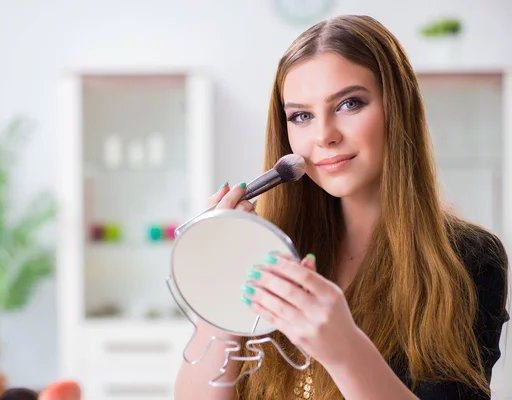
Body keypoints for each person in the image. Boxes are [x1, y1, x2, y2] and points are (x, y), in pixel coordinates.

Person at [173, 14, 510, 400]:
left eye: (349, 104)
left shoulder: (467, 259)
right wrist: (217, 293)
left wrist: (344, 348)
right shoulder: (267, 249)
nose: (324, 136)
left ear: (397, 107)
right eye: (301, 116)